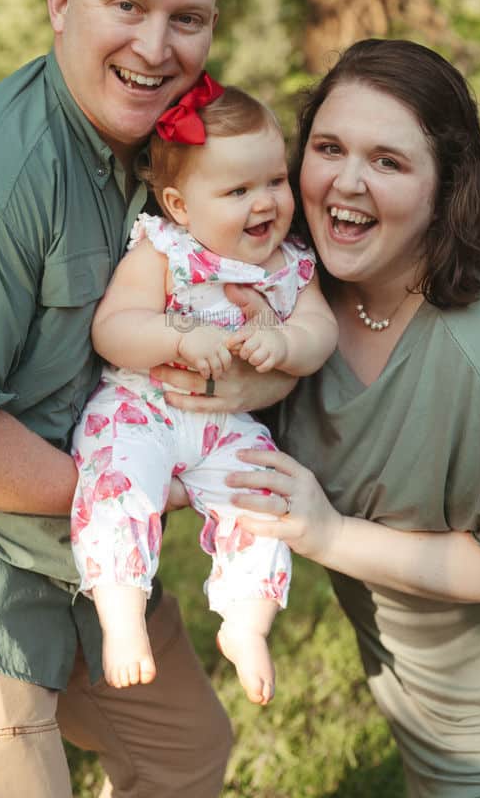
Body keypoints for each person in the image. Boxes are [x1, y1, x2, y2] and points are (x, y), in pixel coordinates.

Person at [0, 0, 295, 798]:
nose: (155, 47)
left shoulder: (174, 156)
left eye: (187, 18)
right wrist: (130, 493)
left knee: (188, 756)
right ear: (61, 1)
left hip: (92, 563)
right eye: (126, 5)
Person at [216, 38, 480, 797]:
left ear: (449, 185)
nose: (346, 183)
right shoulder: (297, 283)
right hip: (421, 710)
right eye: (328, 148)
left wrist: (329, 535)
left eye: (389, 162)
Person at [70, 80, 338, 706]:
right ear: (180, 205)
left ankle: (247, 624)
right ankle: (121, 613)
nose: (265, 202)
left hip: (228, 425)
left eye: (274, 181)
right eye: (238, 190)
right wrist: (179, 335)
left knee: (262, 498)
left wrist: (288, 345)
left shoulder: (290, 264)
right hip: (142, 406)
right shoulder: (166, 248)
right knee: (117, 487)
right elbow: (113, 328)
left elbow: (319, 330)